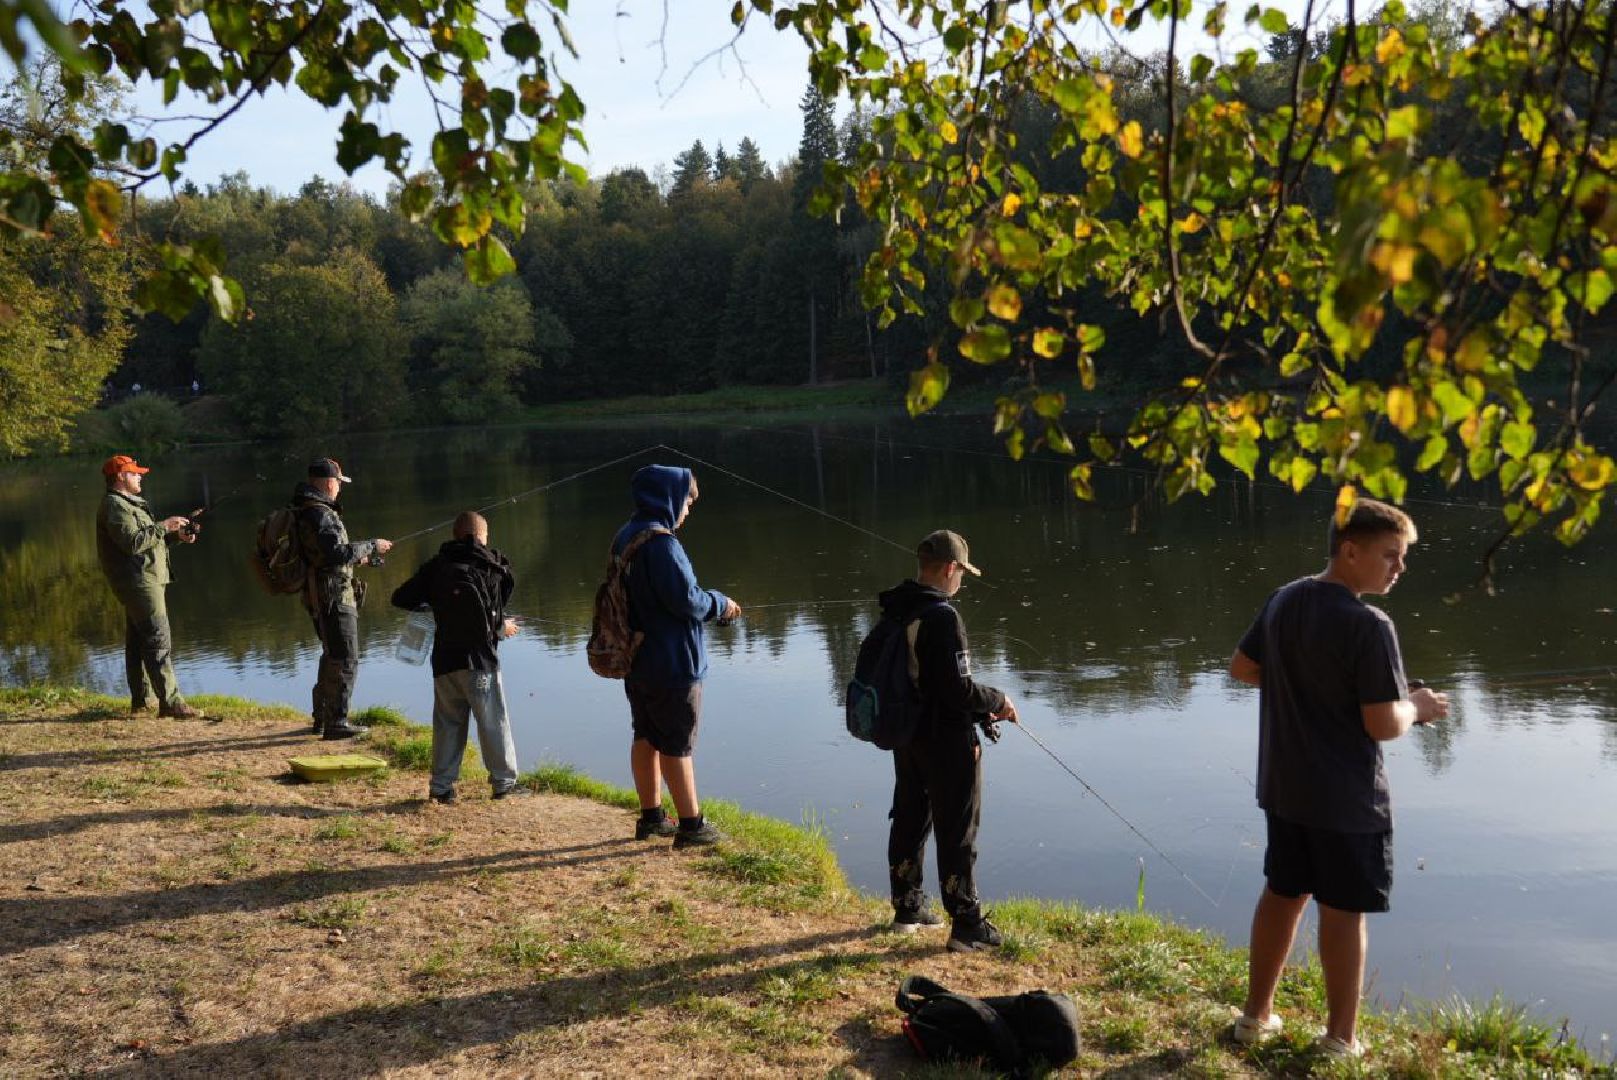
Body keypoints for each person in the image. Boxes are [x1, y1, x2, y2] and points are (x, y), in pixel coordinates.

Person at [1227, 497, 1449, 1058]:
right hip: (1347, 802)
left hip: (1285, 789)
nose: (1399, 568)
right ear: (1350, 551)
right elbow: (1382, 722)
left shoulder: (1285, 598)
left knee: (1282, 893)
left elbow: (1244, 667)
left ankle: (1255, 1018)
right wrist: (1417, 706)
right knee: (1344, 913)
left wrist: (1304, 684)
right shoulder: (1369, 625)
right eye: (1390, 555)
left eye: (1402, 557)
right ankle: (1340, 1039)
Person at [880, 529, 1019, 951]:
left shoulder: (898, 607)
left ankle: (908, 907)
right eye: (961, 573)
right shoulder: (942, 617)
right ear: (950, 568)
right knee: (957, 828)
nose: (961, 582)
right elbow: (958, 692)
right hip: (946, 740)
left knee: (909, 815)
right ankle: (966, 924)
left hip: (908, 735)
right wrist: (998, 700)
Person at [611, 465, 740, 848]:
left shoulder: (625, 535)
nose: (687, 511)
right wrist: (722, 603)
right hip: (672, 662)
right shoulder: (662, 544)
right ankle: (691, 825)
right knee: (677, 743)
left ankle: (651, 818)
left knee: (645, 735)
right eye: (686, 502)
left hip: (637, 660)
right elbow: (687, 600)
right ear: (668, 498)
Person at [390, 511, 527, 804]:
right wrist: (504, 627)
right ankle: (503, 783)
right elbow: (494, 615)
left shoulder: (437, 566)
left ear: (455, 535)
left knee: (447, 724)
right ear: (481, 536)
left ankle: (441, 788)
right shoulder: (489, 566)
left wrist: (435, 603)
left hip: (444, 662)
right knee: (492, 722)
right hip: (480, 661)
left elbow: (400, 597)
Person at [95, 454, 205, 720]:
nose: (140, 476)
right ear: (121, 476)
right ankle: (171, 703)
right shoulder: (115, 505)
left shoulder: (127, 503)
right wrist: (164, 525)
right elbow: (132, 543)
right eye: (135, 473)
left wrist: (175, 536)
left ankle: (141, 701)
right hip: (138, 582)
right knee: (158, 638)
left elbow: (146, 544)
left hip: (144, 578)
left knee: (138, 642)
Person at [291, 458, 393, 740]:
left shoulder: (306, 509)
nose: (339, 488)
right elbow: (336, 553)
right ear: (327, 483)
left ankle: (323, 718)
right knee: (346, 657)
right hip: (333, 595)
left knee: (332, 653)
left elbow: (327, 555)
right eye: (338, 483)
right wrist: (373, 545)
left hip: (320, 592)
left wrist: (360, 557)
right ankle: (337, 722)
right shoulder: (320, 514)